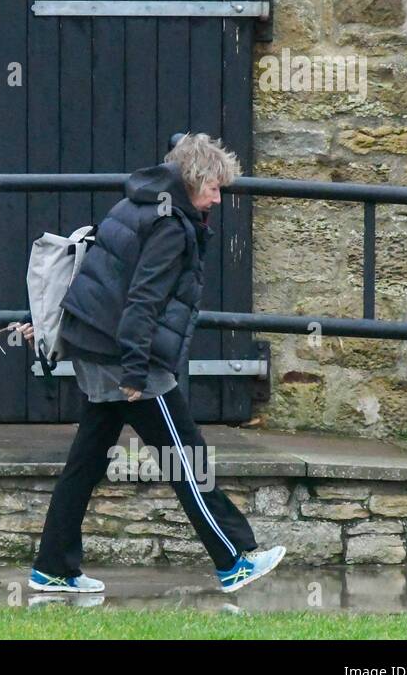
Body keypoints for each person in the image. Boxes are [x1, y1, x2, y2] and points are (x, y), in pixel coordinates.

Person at [21, 133, 285, 595]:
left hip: (96, 346)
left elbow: (101, 273)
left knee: (85, 464)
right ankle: (233, 561)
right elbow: (141, 300)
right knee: (186, 458)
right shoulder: (170, 226)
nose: (219, 198)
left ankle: (53, 567)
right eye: (215, 188)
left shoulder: (137, 202)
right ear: (195, 179)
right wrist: (136, 374)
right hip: (125, 357)